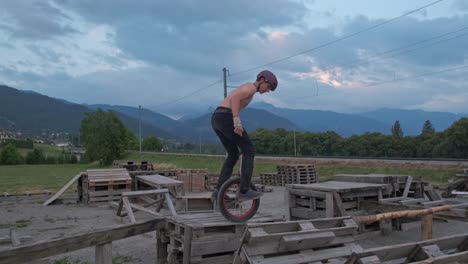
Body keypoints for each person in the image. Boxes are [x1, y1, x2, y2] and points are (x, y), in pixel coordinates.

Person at [211, 70, 278, 201]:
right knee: (249, 149)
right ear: (262, 80)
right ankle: (244, 190)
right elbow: (235, 99)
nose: (268, 90)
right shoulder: (251, 88)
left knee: (233, 154)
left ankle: (218, 192)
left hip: (217, 118)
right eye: (269, 86)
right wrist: (237, 122)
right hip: (226, 117)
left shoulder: (248, 88)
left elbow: (234, 98)